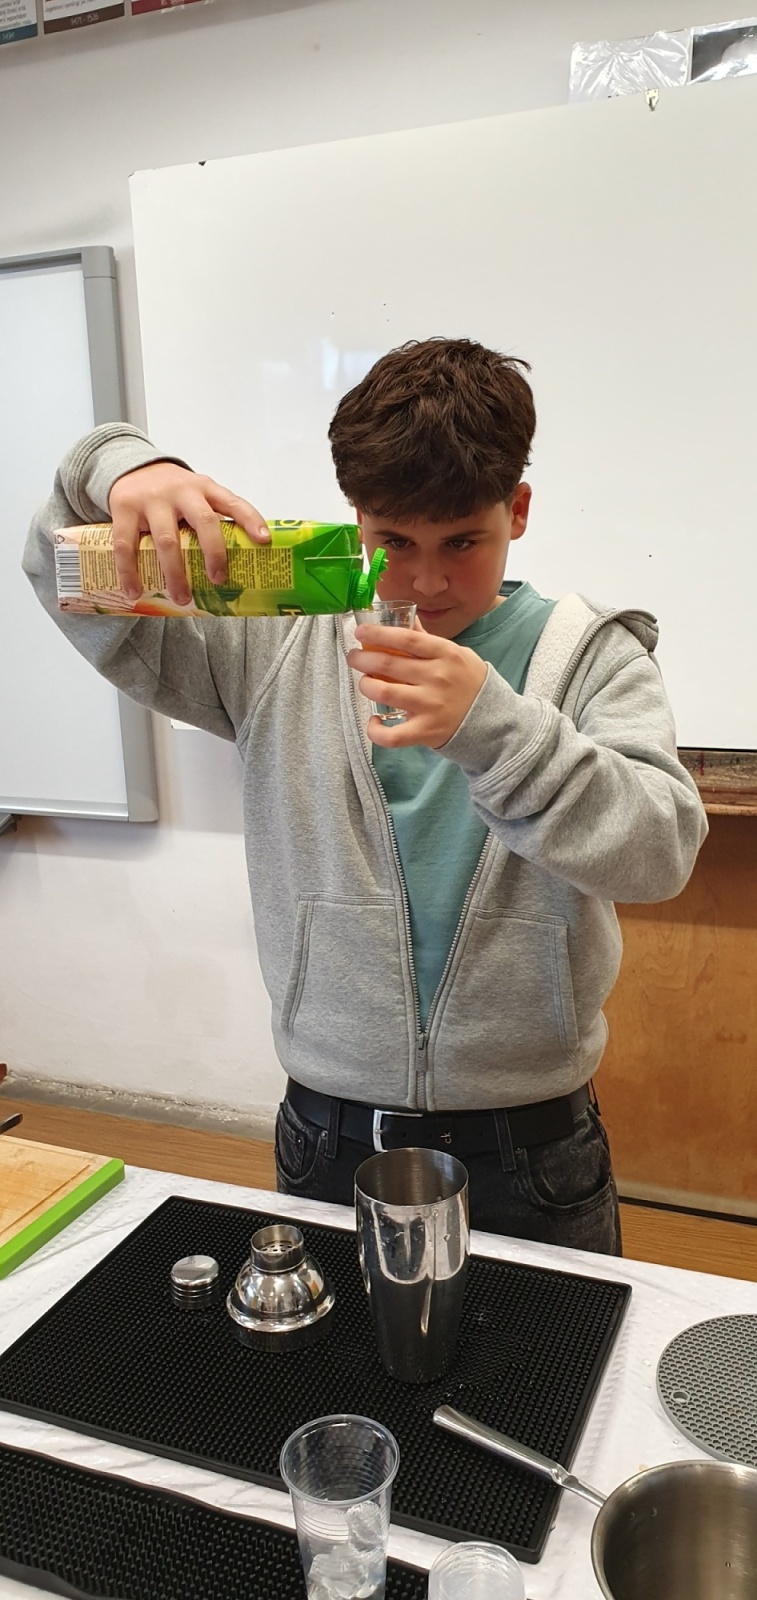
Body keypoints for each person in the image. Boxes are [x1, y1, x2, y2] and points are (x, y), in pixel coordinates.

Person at [23, 337, 708, 1253]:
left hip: (534, 1144)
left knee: (555, 1349)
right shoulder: (275, 642)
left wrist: (493, 728)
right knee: (325, 1349)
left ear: (517, 510)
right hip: (328, 1132)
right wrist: (116, 463)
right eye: (394, 543)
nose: (426, 581)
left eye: (462, 541)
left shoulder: (593, 656)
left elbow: (659, 854)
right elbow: (61, 574)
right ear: (356, 520)